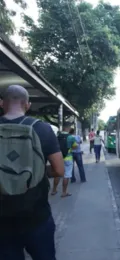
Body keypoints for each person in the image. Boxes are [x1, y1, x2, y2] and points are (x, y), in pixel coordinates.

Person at [0, 85, 64, 259]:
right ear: (27, 105)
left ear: (1, 103)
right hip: (37, 216)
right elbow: (59, 170)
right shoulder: (42, 129)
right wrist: (37, 172)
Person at [51, 122, 78, 197]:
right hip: (68, 158)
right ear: (68, 128)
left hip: (58, 157)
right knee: (66, 175)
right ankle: (64, 192)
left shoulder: (57, 135)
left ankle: (54, 190)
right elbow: (75, 147)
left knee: (57, 174)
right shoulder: (71, 137)